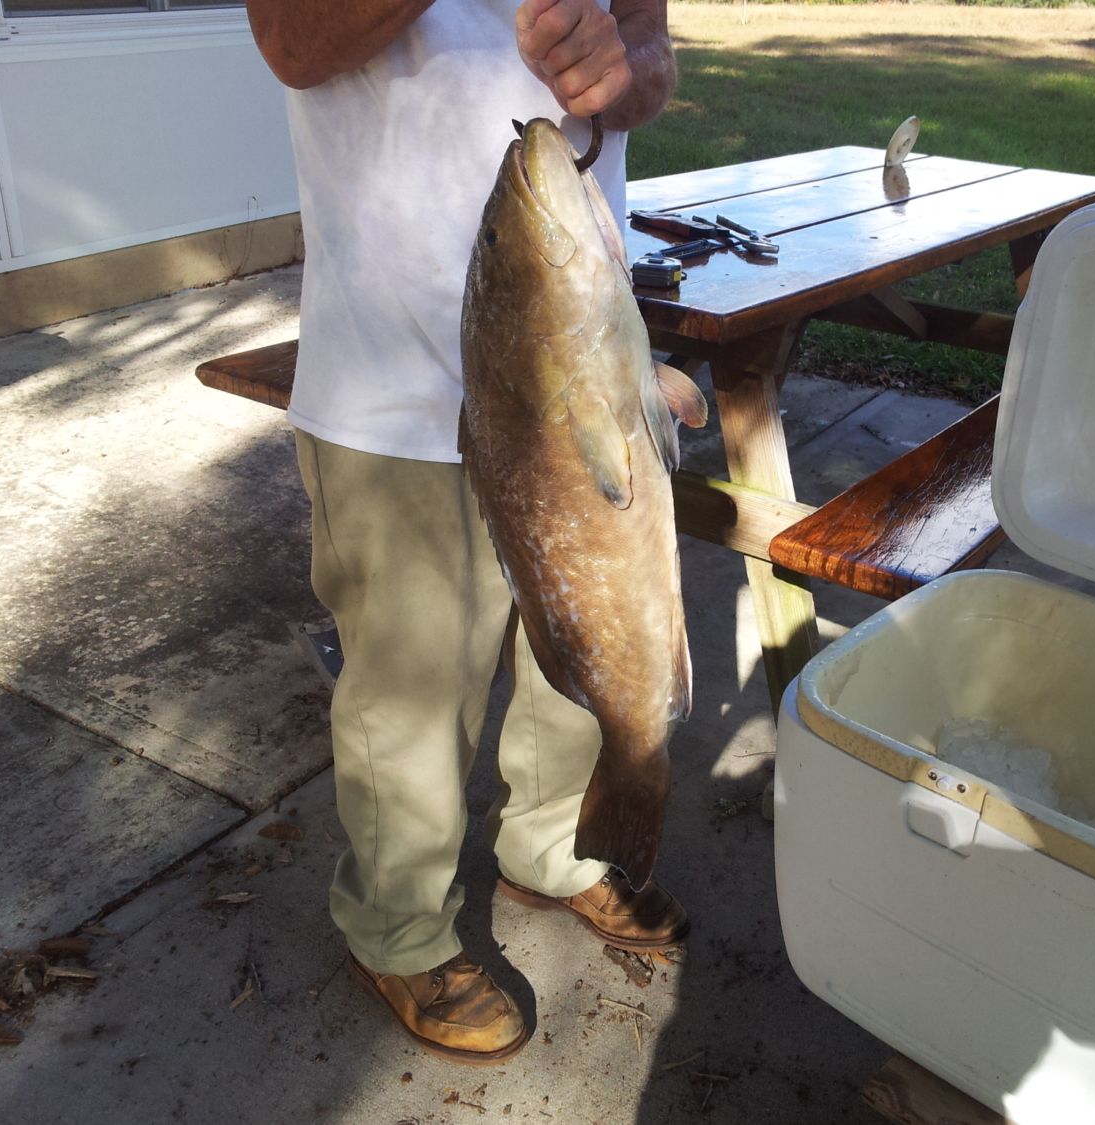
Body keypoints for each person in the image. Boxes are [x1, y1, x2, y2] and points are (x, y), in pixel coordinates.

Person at [243, 0, 686, 1065]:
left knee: (585, 640)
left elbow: (653, 54)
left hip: (580, 356)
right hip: (390, 367)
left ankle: (557, 848)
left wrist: (622, 69)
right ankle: (397, 928)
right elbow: (289, 40)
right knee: (411, 686)